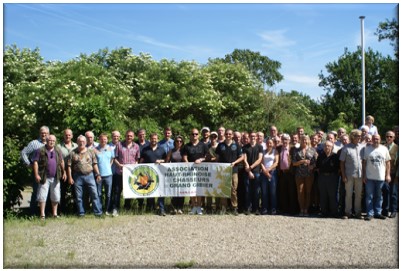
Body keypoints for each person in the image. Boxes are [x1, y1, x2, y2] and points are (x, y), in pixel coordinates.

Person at [67, 135, 102, 217]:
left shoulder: (91, 152)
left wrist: (98, 174)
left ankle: (98, 212)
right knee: (79, 196)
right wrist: (70, 177)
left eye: (83, 141)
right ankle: (81, 213)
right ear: (77, 142)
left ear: (85, 142)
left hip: (90, 176)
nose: (81, 143)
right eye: (80, 141)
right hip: (77, 177)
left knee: (94, 194)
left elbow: (95, 164)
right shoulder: (72, 152)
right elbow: (69, 166)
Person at [32, 135, 66, 219]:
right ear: (47, 141)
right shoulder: (40, 150)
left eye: (53, 141)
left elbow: (61, 161)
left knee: (56, 195)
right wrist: (36, 174)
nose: (52, 142)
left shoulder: (58, 150)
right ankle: (42, 215)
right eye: (50, 140)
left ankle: (55, 214)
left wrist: (64, 171)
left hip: (56, 177)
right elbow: (35, 162)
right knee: (42, 196)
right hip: (44, 177)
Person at [21, 125, 50, 216]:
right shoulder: (34, 143)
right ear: (39, 133)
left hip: (49, 172)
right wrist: (28, 164)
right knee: (36, 192)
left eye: (45, 133)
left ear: (48, 134)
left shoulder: (51, 143)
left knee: (47, 192)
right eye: (42, 133)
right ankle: (33, 213)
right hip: (37, 172)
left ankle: (47, 212)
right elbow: (23, 153)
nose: (44, 134)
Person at [362, 134, 391, 221]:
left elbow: (388, 163)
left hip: (380, 177)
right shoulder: (367, 149)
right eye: (374, 139)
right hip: (369, 177)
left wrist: (388, 175)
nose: (376, 140)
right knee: (369, 196)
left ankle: (378, 212)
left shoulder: (384, 149)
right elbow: (364, 163)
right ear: (372, 140)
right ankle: (369, 213)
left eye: (377, 139)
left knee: (379, 196)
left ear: (380, 139)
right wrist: (364, 175)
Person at [215, 129, 244, 216]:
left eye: (230, 134)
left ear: (232, 135)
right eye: (226, 134)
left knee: (233, 189)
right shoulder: (220, 145)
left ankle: (234, 207)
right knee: (223, 188)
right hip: (223, 171)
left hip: (234, 170)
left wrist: (235, 162)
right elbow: (217, 157)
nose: (228, 135)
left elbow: (242, 157)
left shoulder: (237, 145)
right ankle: (223, 207)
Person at [112, 130, 140, 216]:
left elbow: (137, 159)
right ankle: (115, 209)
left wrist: (135, 166)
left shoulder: (136, 146)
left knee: (129, 191)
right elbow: (114, 158)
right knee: (117, 191)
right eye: (128, 135)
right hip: (119, 172)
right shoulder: (119, 145)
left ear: (133, 136)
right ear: (125, 136)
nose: (129, 137)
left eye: (131, 136)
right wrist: (119, 165)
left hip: (131, 174)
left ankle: (127, 208)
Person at [182, 128, 209, 215]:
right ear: (190, 135)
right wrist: (186, 162)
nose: (194, 135)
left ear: (199, 135)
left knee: (199, 188)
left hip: (201, 170)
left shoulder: (203, 145)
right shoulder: (187, 146)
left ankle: (199, 207)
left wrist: (201, 159)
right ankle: (193, 206)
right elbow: (185, 156)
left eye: (196, 134)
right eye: (193, 134)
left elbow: (207, 156)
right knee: (191, 188)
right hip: (190, 170)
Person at [140, 133, 167, 216]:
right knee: (150, 190)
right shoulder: (145, 149)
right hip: (148, 174)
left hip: (160, 174)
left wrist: (161, 161)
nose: (154, 140)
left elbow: (166, 160)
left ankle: (161, 208)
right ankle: (151, 208)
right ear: (150, 139)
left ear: (157, 139)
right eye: (152, 138)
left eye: (155, 138)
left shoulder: (162, 149)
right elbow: (141, 160)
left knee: (160, 191)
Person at [292, 135, 317, 216]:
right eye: (303, 139)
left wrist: (312, 166)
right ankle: (301, 209)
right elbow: (294, 163)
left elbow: (316, 163)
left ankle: (306, 209)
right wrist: (302, 161)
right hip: (299, 174)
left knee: (308, 192)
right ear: (300, 140)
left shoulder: (313, 150)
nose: (304, 141)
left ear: (308, 140)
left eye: (306, 139)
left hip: (309, 174)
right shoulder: (296, 150)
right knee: (300, 192)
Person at [316, 140, 340, 218]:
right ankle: (324, 212)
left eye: (329, 146)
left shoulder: (335, 156)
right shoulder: (320, 156)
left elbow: (338, 168)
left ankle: (334, 212)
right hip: (322, 177)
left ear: (332, 147)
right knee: (323, 195)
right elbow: (317, 167)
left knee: (332, 195)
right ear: (323, 147)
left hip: (332, 177)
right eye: (325, 146)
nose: (327, 147)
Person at [57, 128, 78, 215]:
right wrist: (63, 172)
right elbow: (57, 160)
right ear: (63, 135)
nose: (67, 136)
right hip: (63, 172)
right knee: (62, 192)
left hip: (75, 172)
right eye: (66, 135)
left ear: (72, 136)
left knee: (76, 192)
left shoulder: (76, 146)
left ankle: (76, 210)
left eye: (69, 135)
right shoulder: (58, 147)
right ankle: (62, 211)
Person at [277, 133, 298, 215]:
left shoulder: (293, 148)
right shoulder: (279, 148)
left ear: (289, 140)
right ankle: (284, 209)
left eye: (286, 139)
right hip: (282, 173)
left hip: (290, 173)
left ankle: (292, 210)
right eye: (283, 139)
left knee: (292, 192)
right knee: (283, 191)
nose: (284, 141)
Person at [242, 131, 263, 215]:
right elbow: (244, 159)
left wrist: (251, 167)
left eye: (254, 136)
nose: (253, 137)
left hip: (256, 172)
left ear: (256, 137)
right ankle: (248, 208)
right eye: (251, 136)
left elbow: (259, 159)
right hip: (247, 172)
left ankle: (256, 208)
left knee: (256, 191)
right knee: (247, 191)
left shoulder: (259, 147)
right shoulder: (245, 147)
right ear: (249, 137)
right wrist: (249, 170)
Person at [94, 133, 115, 215]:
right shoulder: (95, 150)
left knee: (108, 194)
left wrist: (109, 166)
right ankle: (99, 210)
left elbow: (112, 159)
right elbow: (94, 163)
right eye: (102, 139)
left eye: (105, 139)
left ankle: (107, 210)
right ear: (99, 139)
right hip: (99, 175)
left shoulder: (110, 149)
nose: (103, 140)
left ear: (107, 140)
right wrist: (97, 173)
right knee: (98, 193)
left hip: (108, 175)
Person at [166, 135, 185, 214]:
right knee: (174, 191)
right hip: (173, 174)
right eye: (177, 141)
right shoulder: (171, 151)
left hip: (183, 174)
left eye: (180, 141)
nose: (179, 142)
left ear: (182, 142)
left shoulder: (184, 151)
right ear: (175, 142)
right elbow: (167, 161)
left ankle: (180, 207)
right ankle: (173, 207)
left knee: (182, 191)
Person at [382, 131, 399, 218]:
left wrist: (397, 176)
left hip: (393, 173)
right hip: (383, 174)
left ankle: (393, 210)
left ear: (394, 138)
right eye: (387, 136)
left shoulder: (397, 148)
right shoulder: (382, 147)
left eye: (391, 137)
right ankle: (385, 210)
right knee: (385, 191)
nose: (389, 138)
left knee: (393, 193)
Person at [260, 138, 279, 215]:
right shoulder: (263, 152)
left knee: (273, 192)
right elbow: (261, 162)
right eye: (268, 143)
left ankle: (273, 208)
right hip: (264, 173)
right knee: (264, 192)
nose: (269, 144)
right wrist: (265, 171)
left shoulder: (275, 152)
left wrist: (269, 170)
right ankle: (264, 208)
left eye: (270, 143)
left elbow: (276, 162)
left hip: (273, 173)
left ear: (273, 144)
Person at [134, 128, 150, 211]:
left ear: (145, 135)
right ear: (138, 135)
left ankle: (149, 206)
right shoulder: (135, 143)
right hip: (137, 169)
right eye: (140, 134)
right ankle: (140, 205)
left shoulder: (149, 143)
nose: (142, 136)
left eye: (143, 134)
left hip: (148, 169)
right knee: (139, 187)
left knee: (148, 187)